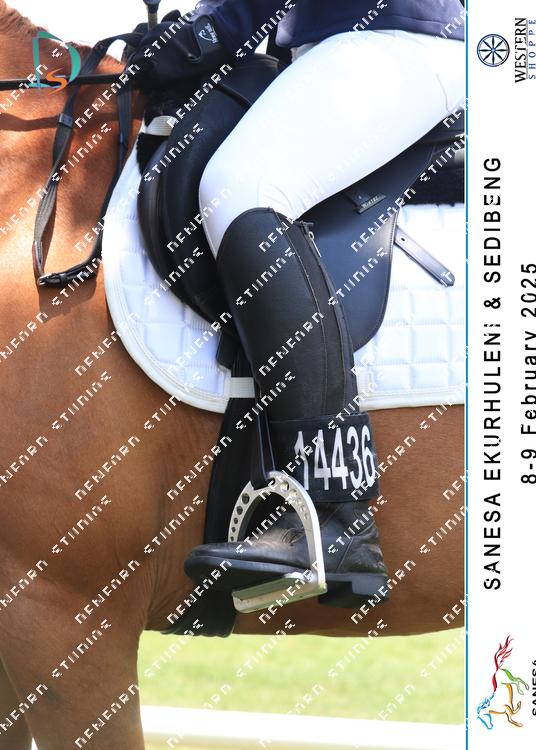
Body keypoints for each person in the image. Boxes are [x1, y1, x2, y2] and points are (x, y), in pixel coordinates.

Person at [128, 0, 465, 606]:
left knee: (241, 189)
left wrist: (205, 33)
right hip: (323, 51)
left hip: (402, 39)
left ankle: (336, 513)